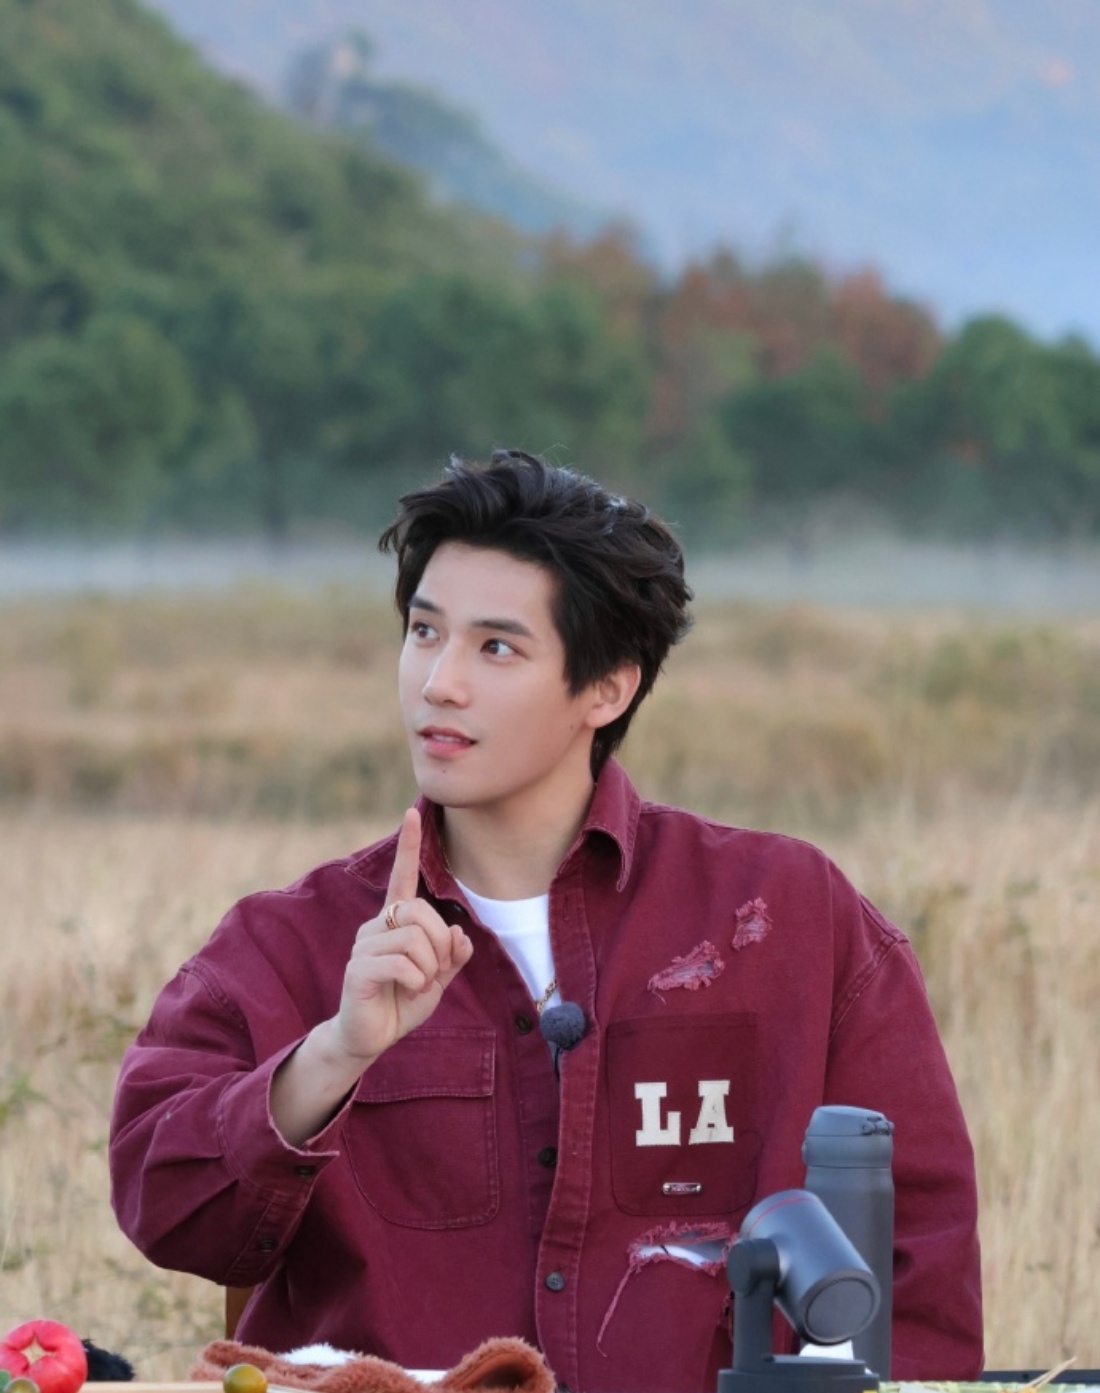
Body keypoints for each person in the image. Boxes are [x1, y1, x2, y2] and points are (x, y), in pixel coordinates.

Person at [109, 450, 983, 1392]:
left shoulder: (788, 918)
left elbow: (918, 1261)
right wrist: (333, 1055)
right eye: (423, 632)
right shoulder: (290, 945)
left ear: (608, 686)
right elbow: (166, 1208)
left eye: (496, 648)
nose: (439, 682)